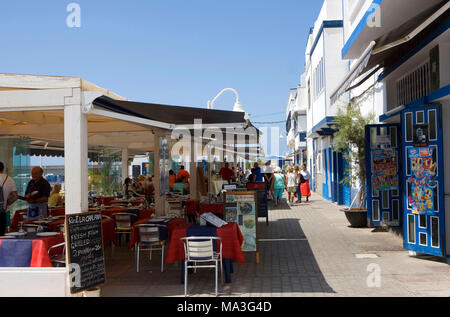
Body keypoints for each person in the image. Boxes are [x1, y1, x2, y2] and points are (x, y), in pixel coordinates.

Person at [0, 162, 18, 236]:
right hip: (3, 212)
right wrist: (6, 203)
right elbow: (15, 196)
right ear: (3, 169)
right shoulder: (9, 179)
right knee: (2, 235)